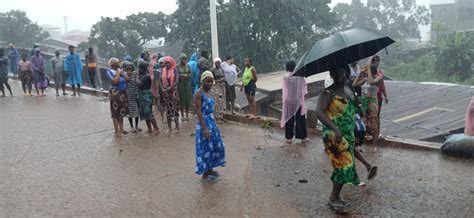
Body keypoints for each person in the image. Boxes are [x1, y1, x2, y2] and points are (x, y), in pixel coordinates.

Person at [316, 66, 378, 215]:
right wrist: (335, 129)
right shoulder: (327, 92)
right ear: (331, 74)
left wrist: (361, 112)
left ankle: (336, 197)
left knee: (344, 166)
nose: (339, 74)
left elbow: (356, 109)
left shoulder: (348, 91)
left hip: (348, 134)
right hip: (333, 135)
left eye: (342, 71)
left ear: (347, 74)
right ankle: (333, 198)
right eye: (336, 72)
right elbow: (319, 112)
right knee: (344, 165)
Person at [194, 70, 226, 183]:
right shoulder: (198, 93)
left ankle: (210, 170)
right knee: (205, 148)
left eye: (211, 81)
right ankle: (205, 174)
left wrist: (214, 125)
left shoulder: (209, 92)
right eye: (208, 81)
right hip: (204, 123)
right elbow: (198, 111)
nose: (210, 83)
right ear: (202, 81)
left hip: (211, 122)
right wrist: (205, 128)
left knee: (215, 146)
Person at [353, 56, 384, 152]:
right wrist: (361, 73)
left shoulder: (378, 77)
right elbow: (354, 84)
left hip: (372, 102)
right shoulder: (366, 77)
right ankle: (359, 144)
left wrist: (368, 68)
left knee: (374, 123)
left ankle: (374, 145)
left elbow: (371, 81)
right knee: (362, 122)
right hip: (364, 102)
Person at [281, 60, 309, 144]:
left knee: (289, 118)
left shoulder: (286, 77)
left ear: (287, 67)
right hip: (298, 100)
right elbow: (303, 88)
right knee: (300, 118)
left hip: (289, 100)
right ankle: (303, 137)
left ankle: (289, 138)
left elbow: (285, 89)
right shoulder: (300, 76)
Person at [106, 58, 129, 137]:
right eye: (117, 63)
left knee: (121, 111)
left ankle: (121, 129)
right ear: (113, 64)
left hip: (122, 94)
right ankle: (116, 131)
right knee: (115, 112)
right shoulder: (110, 71)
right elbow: (115, 81)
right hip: (115, 94)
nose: (119, 63)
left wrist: (121, 73)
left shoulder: (120, 70)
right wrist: (118, 73)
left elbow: (127, 79)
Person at [137, 62, 160, 134]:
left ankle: (156, 128)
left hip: (146, 96)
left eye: (139, 68)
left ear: (141, 69)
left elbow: (138, 83)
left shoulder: (146, 76)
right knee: (145, 113)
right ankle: (149, 129)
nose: (138, 70)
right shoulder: (143, 75)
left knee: (149, 113)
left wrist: (136, 76)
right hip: (142, 95)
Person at [159, 56, 180, 133]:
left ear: (171, 63)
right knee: (167, 110)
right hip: (166, 93)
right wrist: (162, 89)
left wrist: (170, 87)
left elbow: (177, 80)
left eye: (168, 63)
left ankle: (177, 127)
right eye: (166, 63)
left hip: (173, 93)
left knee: (175, 110)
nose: (167, 64)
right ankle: (170, 128)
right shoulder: (162, 71)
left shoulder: (175, 70)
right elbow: (159, 80)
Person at [123, 61, 140, 133]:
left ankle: (136, 126)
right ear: (126, 69)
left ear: (132, 68)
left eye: (130, 68)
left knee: (136, 111)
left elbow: (137, 83)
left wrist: (137, 94)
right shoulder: (124, 75)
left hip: (135, 95)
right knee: (129, 112)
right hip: (128, 95)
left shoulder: (135, 74)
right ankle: (132, 127)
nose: (129, 70)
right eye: (127, 69)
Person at [375, 56, 389, 138]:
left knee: (377, 116)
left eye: (378, 61)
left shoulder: (380, 72)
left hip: (379, 97)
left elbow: (382, 85)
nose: (376, 62)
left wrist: (386, 95)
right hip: (371, 97)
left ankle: (378, 132)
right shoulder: (369, 73)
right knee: (370, 116)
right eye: (375, 61)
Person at [177, 53, 193, 121]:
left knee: (187, 101)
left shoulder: (188, 66)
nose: (185, 60)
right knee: (181, 101)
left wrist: (185, 75)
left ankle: (187, 115)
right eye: (183, 59)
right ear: (181, 60)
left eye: (185, 59)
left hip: (187, 84)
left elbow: (190, 74)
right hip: (180, 85)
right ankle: (182, 115)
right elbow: (177, 75)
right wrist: (184, 75)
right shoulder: (177, 66)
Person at [154, 57, 166, 123]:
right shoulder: (158, 71)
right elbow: (157, 82)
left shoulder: (167, 70)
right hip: (161, 90)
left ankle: (168, 116)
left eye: (163, 63)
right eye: (160, 63)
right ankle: (162, 117)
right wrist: (157, 92)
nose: (161, 64)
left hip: (167, 89)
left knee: (167, 104)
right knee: (161, 103)